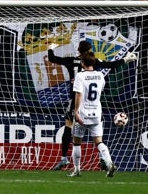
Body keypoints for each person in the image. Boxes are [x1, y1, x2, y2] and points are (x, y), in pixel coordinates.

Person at [48, 40, 137, 171]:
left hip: (76, 100)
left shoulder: (71, 60)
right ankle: (103, 158)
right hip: (93, 103)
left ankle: (64, 158)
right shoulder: (94, 61)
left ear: (78, 50)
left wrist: (50, 48)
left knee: (69, 127)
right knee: (97, 136)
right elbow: (111, 65)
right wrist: (126, 60)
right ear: (90, 51)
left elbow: (52, 58)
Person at [69, 52, 116, 178]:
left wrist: (76, 112)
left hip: (83, 114)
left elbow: (78, 94)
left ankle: (77, 170)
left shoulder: (80, 76)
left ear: (82, 63)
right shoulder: (100, 75)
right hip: (96, 114)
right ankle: (110, 163)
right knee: (99, 142)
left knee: (77, 142)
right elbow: (99, 90)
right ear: (94, 62)